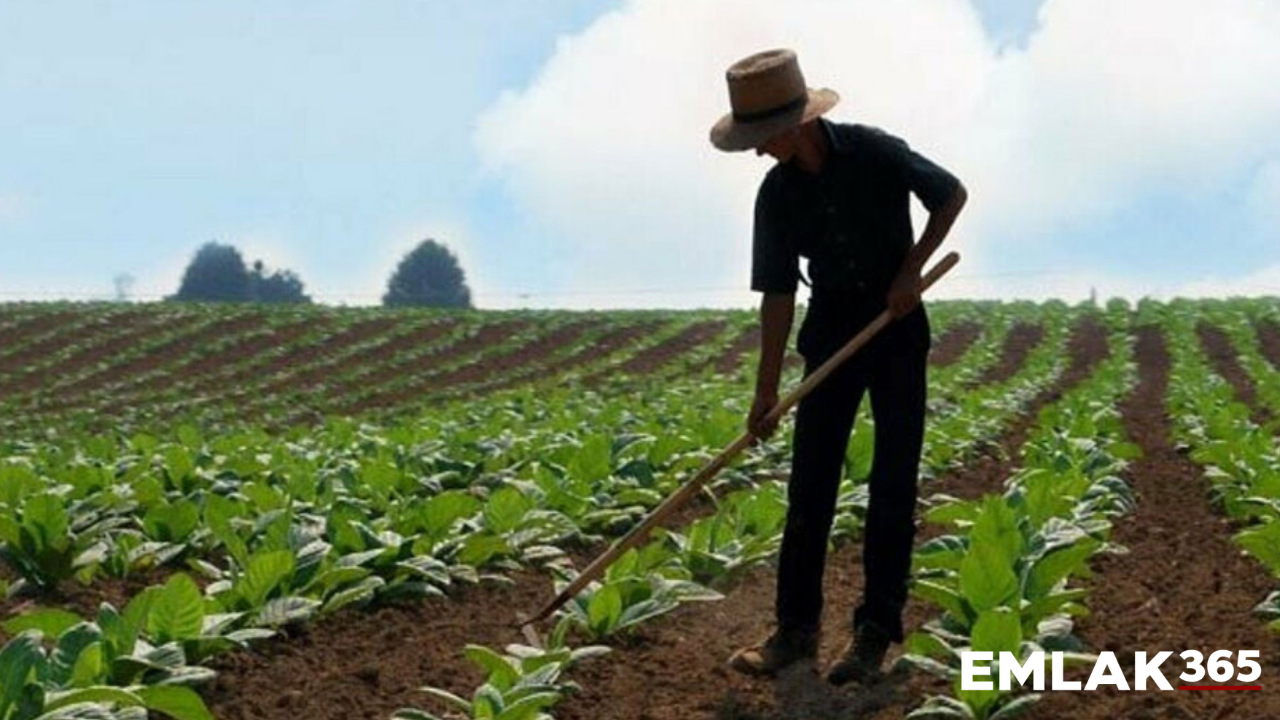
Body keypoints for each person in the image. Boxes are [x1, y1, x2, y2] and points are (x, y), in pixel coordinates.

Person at [708, 48, 967, 685]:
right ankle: (794, 633)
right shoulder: (776, 195)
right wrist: (765, 393)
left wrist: (911, 271)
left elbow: (950, 194)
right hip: (829, 335)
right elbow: (776, 295)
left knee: (893, 483)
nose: (757, 152)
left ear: (795, 124)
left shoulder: (875, 152)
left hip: (896, 329)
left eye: (761, 139)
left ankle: (874, 634)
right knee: (810, 485)